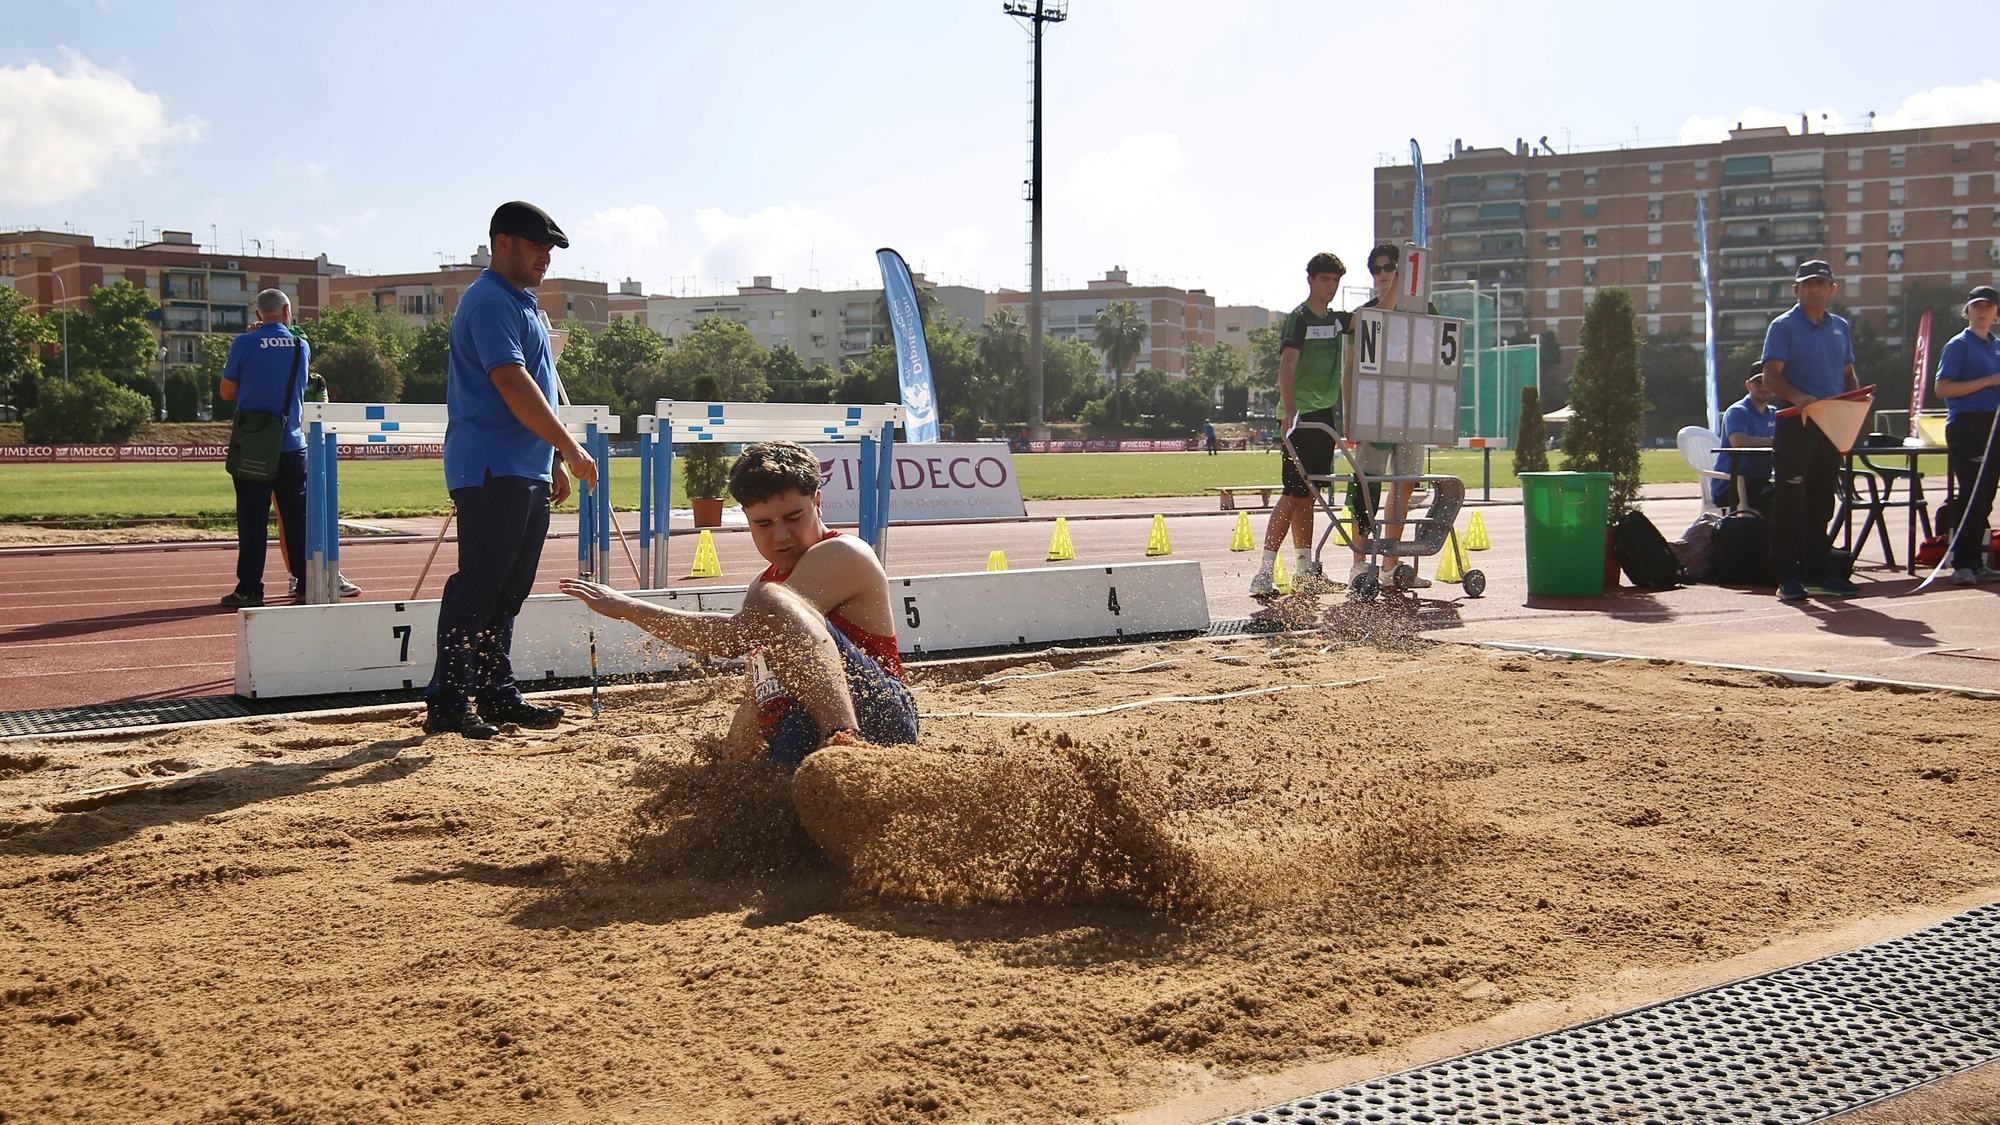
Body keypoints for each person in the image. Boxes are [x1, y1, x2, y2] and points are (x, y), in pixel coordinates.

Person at [561, 440, 919, 764]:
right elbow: (759, 690)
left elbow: (734, 636)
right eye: (763, 524)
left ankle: (845, 742)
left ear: (818, 503)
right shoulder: (767, 587)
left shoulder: (843, 552)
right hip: (802, 721)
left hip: (879, 711)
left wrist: (631, 609)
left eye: (794, 518)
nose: (781, 535)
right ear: (747, 520)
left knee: (766, 601)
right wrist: (729, 767)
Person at [422, 201, 599, 739]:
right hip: (491, 467)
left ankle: (496, 691)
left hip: (523, 467)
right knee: (479, 584)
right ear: (504, 243)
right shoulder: (489, 302)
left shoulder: (522, 304)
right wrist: (568, 445)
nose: (547, 257)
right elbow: (512, 384)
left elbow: (538, 390)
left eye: (550, 249)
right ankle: (448, 700)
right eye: (539, 246)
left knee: (509, 587)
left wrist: (549, 460)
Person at [217, 289, 359, 607]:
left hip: (254, 444)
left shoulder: (243, 343)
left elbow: (227, 392)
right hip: (292, 444)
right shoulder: (300, 345)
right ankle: (306, 583)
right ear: (286, 312)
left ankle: (250, 588)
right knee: (297, 519)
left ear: (257, 315)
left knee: (252, 519)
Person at [1760, 260, 1861, 602]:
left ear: (1832, 289)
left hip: (1831, 422)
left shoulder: (1841, 327)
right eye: (1807, 284)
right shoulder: (1783, 326)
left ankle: (1819, 572)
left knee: (1821, 499)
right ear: (1796, 290)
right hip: (1795, 421)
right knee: (1789, 499)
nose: (1813, 289)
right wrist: (1799, 397)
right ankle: (1786, 575)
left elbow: (1848, 375)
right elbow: (1770, 376)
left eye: (1820, 283)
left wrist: (1854, 412)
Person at [1250, 252, 1348, 597]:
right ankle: (1263, 572)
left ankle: (1305, 571)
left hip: (1326, 413)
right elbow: (1286, 367)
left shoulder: (1338, 321)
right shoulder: (1299, 319)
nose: (1331, 287)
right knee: (1292, 492)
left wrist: (1395, 275)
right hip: (1300, 415)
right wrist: (1289, 411)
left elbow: (1378, 311)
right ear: (1311, 280)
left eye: (1336, 280)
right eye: (1325, 280)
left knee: (1310, 494)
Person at [1350, 243, 1440, 588]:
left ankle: (1390, 568)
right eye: (1377, 269)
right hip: (1375, 413)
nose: (1384, 274)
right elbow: (1353, 368)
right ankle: (1360, 567)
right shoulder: (1366, 312)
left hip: (1413, 412)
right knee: (1366, 487)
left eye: (1391, 268)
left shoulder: (1426, 309)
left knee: (1404, 487)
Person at [1935, 284, 2000, 585]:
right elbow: (1942, 389)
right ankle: (1962, 562)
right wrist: (1988, 381)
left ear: (1996, 313)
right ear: (1968, 311)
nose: (1982, 311)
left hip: (1993, 425)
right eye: (1977, 306)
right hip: (1967, 425)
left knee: (1986, 495)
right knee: (1972, 492)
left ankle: (1976, 560)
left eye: (1988, 306)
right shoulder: (1958, 345)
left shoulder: (1997, 345)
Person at [1713, 366, 1778, 515]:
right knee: (1780, 501)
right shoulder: (1738, 412)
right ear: (1748, 385)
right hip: (1731, 485)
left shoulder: (1775, 414)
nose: (1763, 387)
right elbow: (1738, 441)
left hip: (1760, 483)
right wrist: (1776, 442)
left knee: (1797, 495)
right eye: (1758, 382)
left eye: (1767, 382)